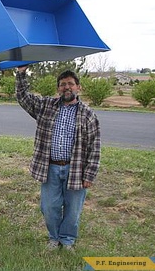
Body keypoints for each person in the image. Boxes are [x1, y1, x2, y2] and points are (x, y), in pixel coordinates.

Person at [15, 65, 101, 251]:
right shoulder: (45, 106)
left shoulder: (88, 115)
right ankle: (54, 238)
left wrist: (90, 175)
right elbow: (23, 97)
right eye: (62, 84)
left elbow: (95, 147)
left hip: (76, 169)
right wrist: (21, 73)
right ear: (58, 89)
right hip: (50, 168)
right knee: (49, 207)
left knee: (73, 209)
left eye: (71, 83)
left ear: (79, 87)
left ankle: (67, 240)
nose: (66, 87)